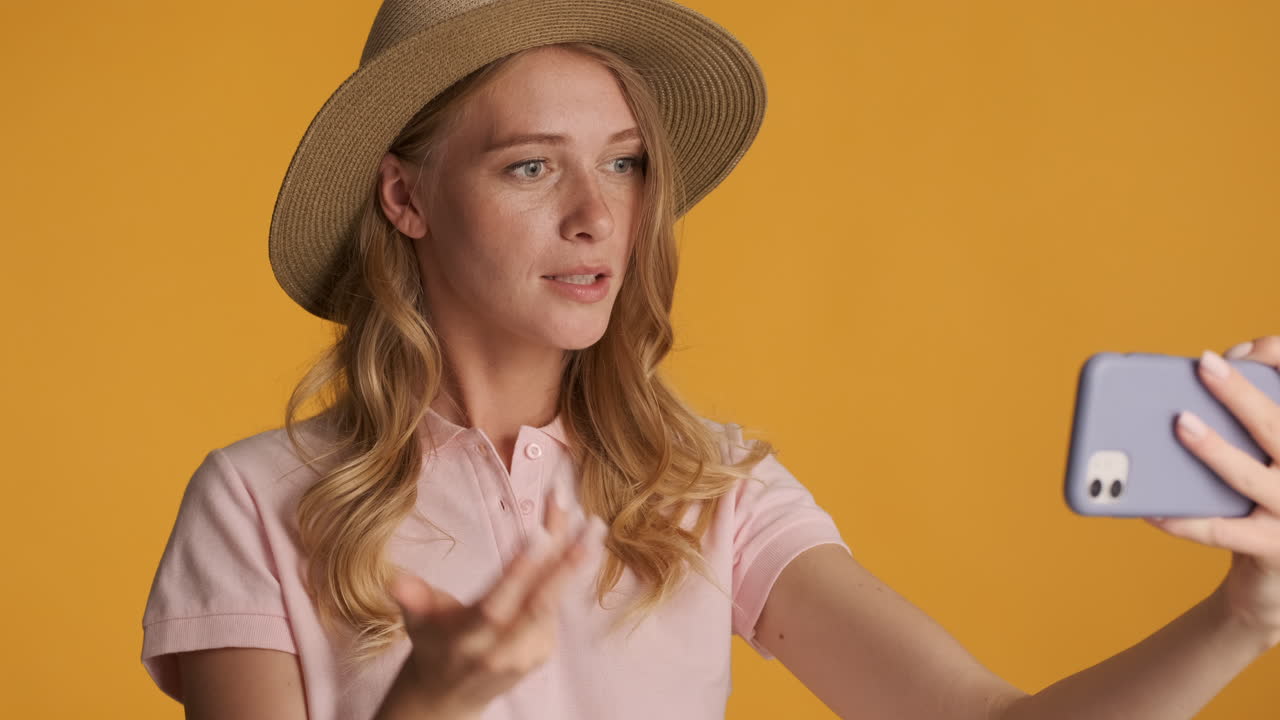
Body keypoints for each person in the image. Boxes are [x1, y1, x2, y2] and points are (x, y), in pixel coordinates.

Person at [142, 1, 1280, 719]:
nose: (599, 215)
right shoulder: (254, 502)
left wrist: (1244, 617)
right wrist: (429, 703)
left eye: (627, 164)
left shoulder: (709, 488)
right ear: (405, 196)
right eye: (532, 168)